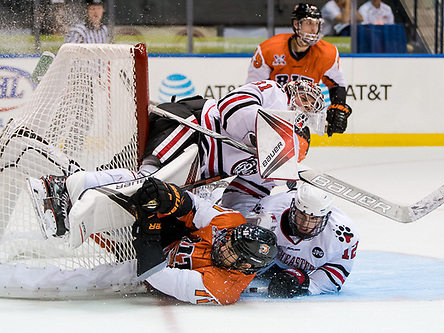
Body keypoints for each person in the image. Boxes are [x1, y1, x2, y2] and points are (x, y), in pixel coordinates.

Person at [28, 79, 327, 238]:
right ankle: (61, 188)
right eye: (303, 97)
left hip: (196, 166)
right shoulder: (272, 94)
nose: (303, 104)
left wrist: (244, 223)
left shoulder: (272, 163)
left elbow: (243, 198)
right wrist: (263, 132)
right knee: (148, 182)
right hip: (190, 127)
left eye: (310, 106)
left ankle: (72, 192)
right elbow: (231, 111)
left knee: (145, 191)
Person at [128, 177, 278, 305]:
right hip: (175, 235)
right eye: (229, 240)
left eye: (231, 250)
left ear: (244, 265)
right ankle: (216, 194)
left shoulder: (223, 289)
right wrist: (172, 197)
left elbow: (157, 276)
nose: (223, 246)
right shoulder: (232, 223)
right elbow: (195, 207)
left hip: (150, 270)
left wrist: (148, 234)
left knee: (110, 276)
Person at [246, 3, 353, 137]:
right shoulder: (269, 49)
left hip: (302, 117)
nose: (314, 29)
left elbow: (338, 85)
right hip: (271, 113)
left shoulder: (327, 53)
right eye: (309, 23)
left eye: (317, 23)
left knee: (299, 144)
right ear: (296, 24)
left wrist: (338, 105)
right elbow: (252, 89)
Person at [247, 182, 359, 298]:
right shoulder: (268, 210)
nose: (305, 224)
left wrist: (304, 283)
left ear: (326, 217)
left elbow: (336, 273)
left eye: (314, 218)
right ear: (293, 208)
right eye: (302, 215)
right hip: (265, 263)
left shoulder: (343, 235)